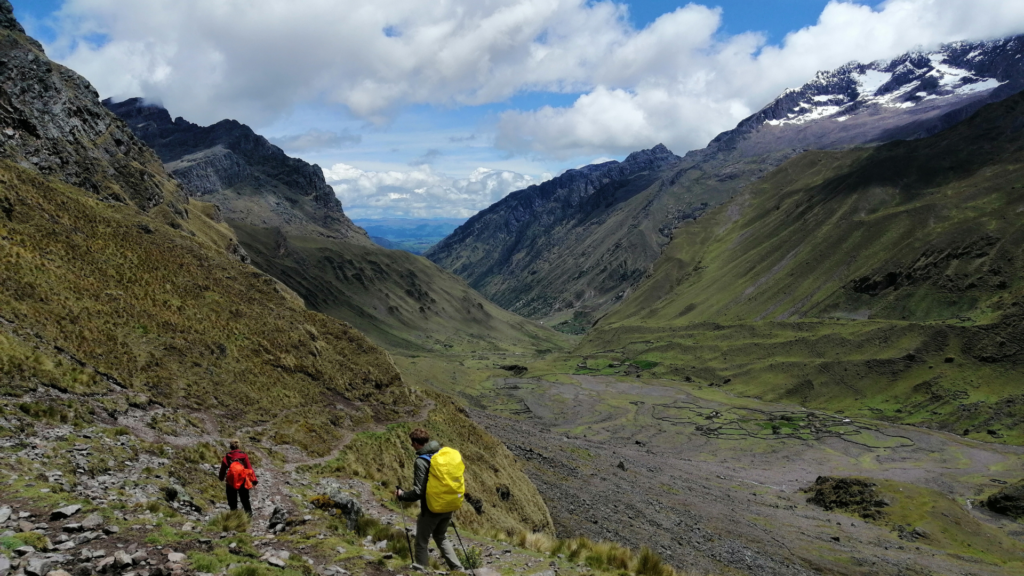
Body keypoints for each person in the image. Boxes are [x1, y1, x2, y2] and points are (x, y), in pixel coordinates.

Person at [396, 428, 464, 571]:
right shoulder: (441, 454)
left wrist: (402, 495)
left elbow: (419, 492)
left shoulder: (421, 461)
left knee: (421, 540)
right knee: (441, 536)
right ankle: (458, 569)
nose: (412, 445)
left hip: (432, 507)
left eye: (412, 443)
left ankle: (421, 569)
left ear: (415, 443)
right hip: (449, 504)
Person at [218, 438, 257, 516]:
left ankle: (234, 518)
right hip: (243, 479)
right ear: (238, 446)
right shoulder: (243, 455)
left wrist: (221, 478)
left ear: (230, 447)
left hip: (231, 480)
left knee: (232, 501)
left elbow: (223, 469)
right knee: (245, 499)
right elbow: (249, 468)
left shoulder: (227, 456)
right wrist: (254, 480)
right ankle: (249, 516)